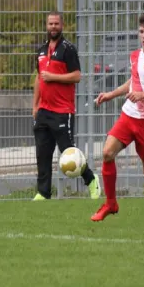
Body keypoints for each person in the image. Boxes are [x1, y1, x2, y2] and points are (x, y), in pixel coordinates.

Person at [90, 13, 144, 226]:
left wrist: (143, 95)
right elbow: (133, 82)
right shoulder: (136, 55)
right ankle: (110, 204)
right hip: (129, 114)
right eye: (141, 31)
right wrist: (111, 94)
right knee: (107, 152)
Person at [32, 11, 101, 201]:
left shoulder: (68, 49)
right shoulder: (40, 50)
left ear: (61, 26)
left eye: (56, 24)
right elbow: (39, 79)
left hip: (62, 111)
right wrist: (35, 105)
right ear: (46, 26)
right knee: (42, 153)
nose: (53, 27)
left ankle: (91, 180)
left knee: (69, 152)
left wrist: (53, 77)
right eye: (50, 24)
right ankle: (43, 193)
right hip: (44, 110)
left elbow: (77, 76)